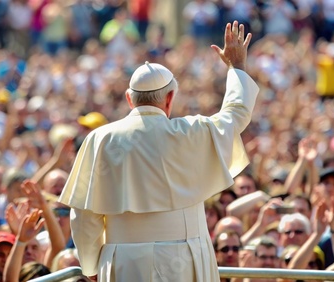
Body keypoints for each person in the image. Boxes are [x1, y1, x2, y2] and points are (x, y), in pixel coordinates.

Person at [58, 21, 259, 281]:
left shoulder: (99, 139)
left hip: (123, 263)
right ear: (169, 98)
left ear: (130, 99)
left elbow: (84, 216)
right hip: (187, 261)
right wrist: (236, 67)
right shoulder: (193, 131)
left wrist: (91, 266)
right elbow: (236, 113)